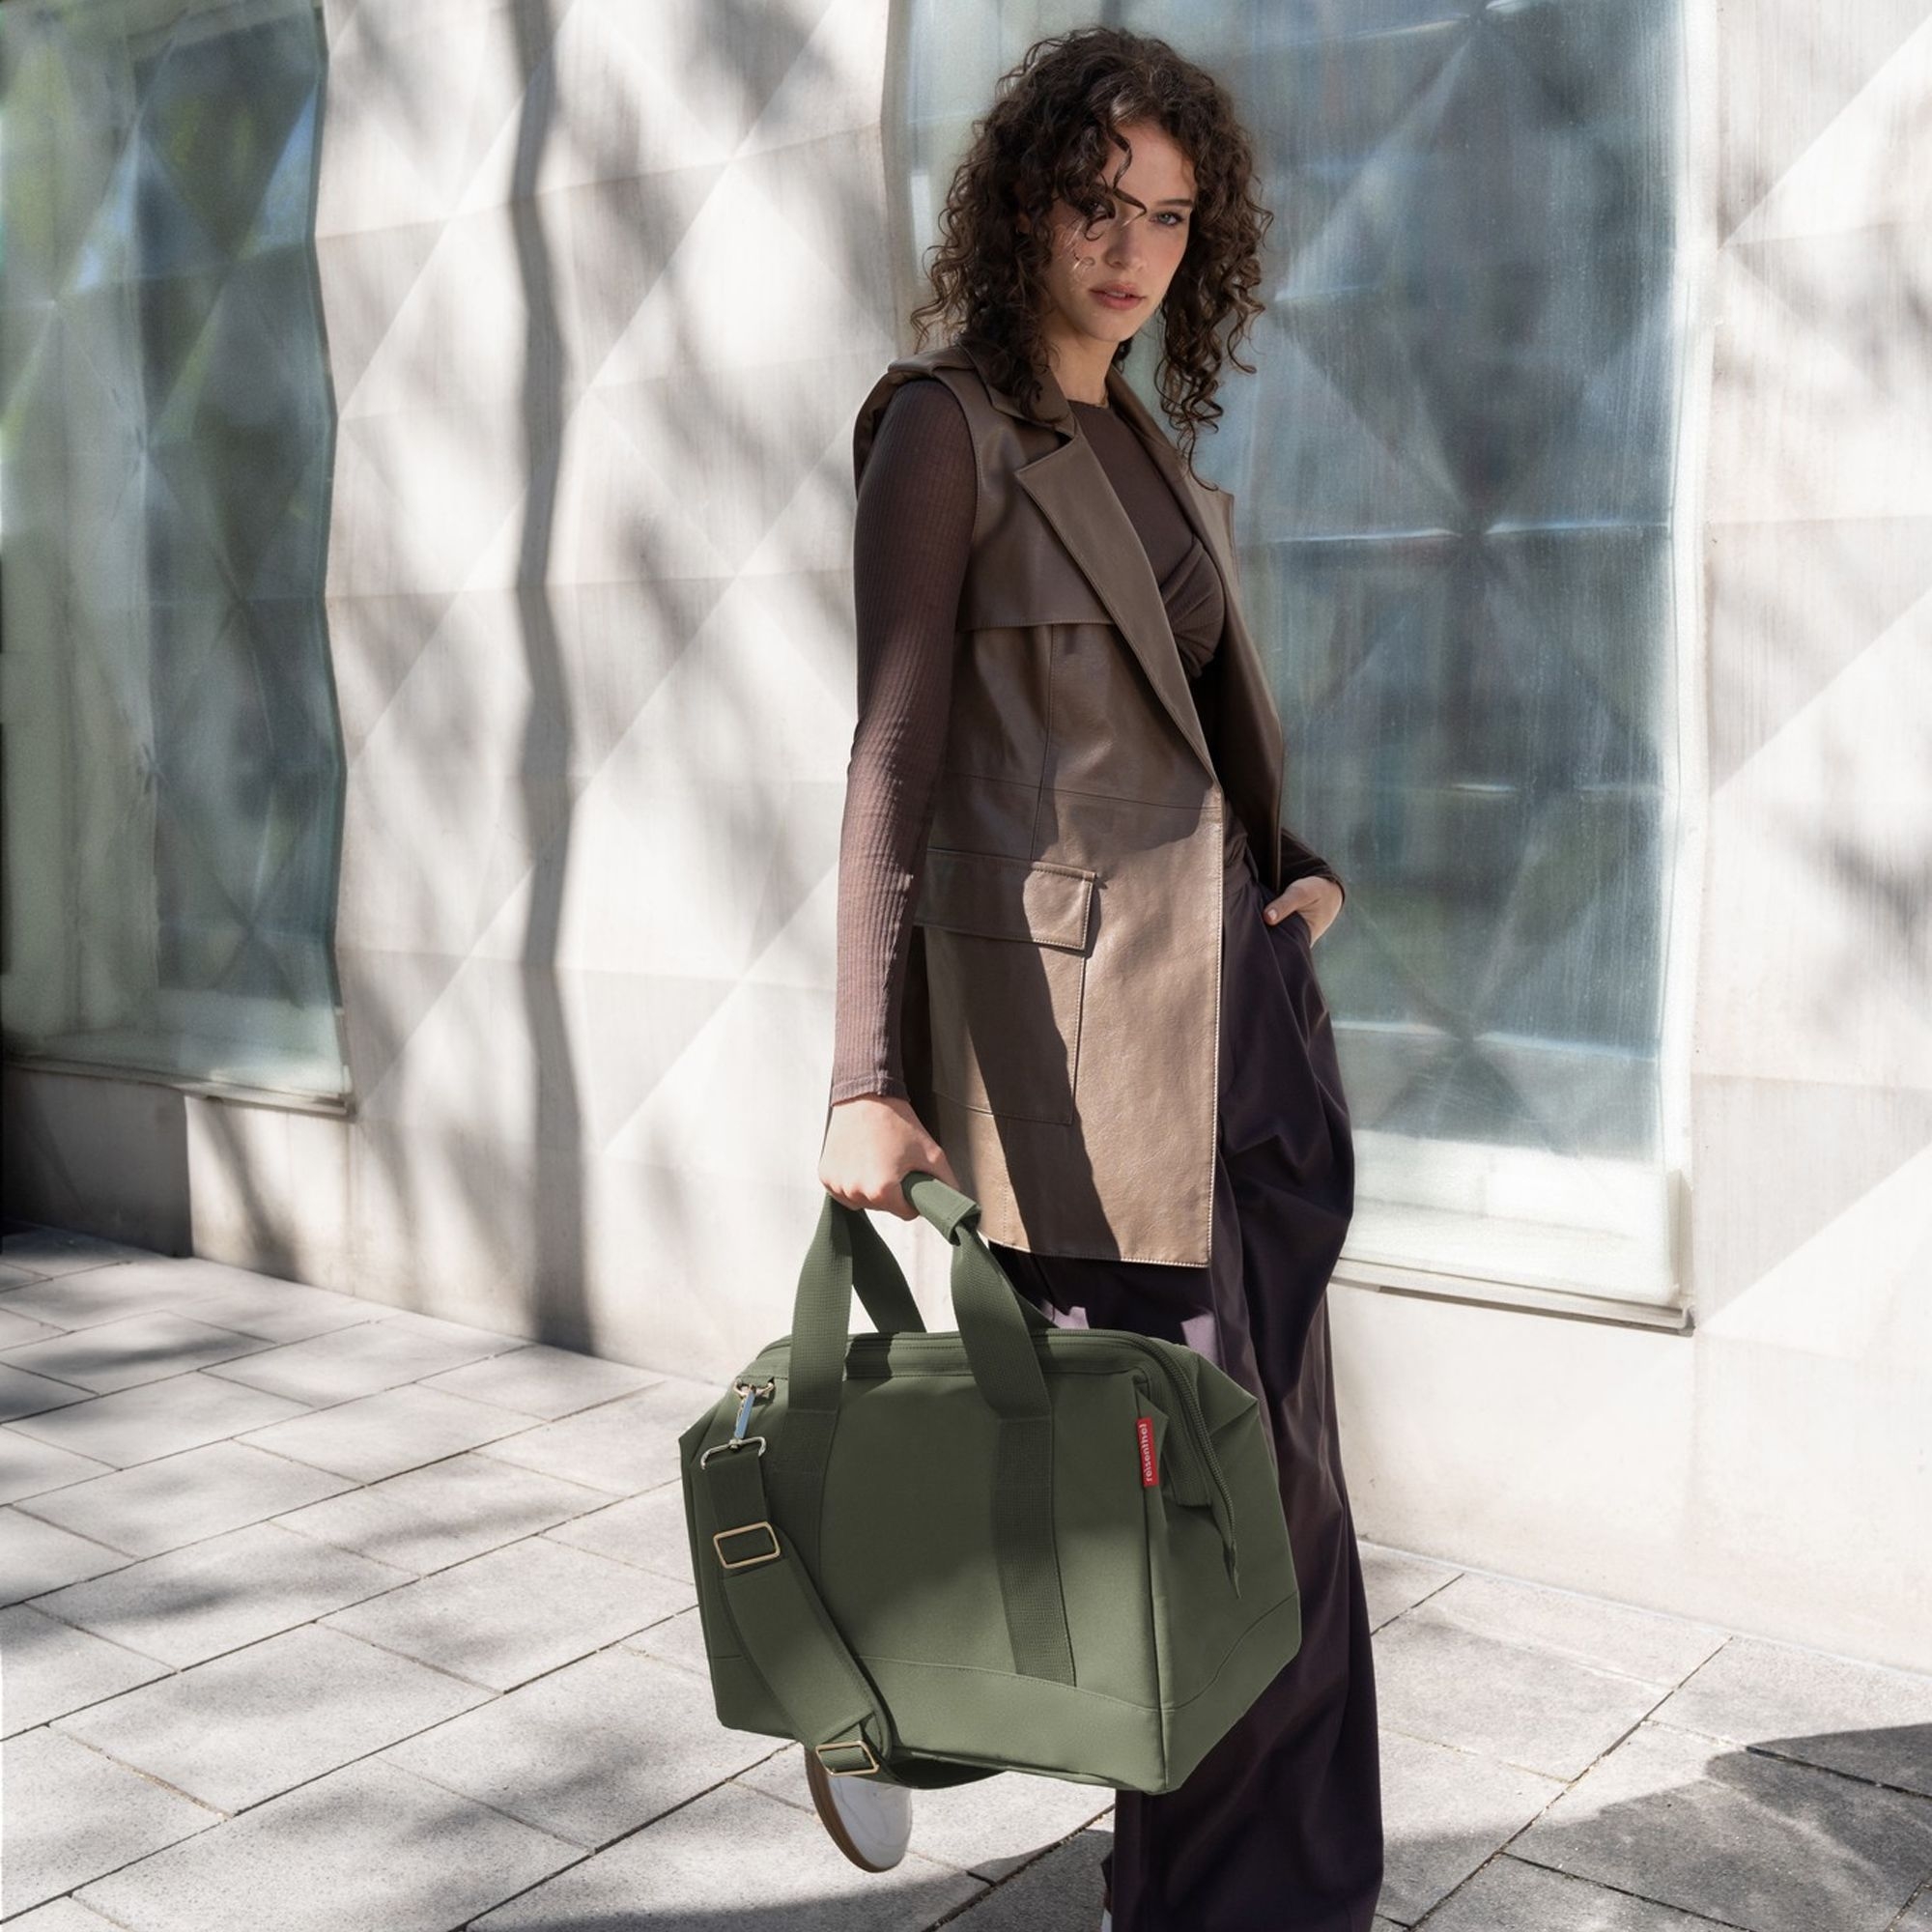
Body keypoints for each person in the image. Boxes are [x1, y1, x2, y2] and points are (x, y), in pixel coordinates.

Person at [814, 26, 1383, 1932]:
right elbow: (892, 756)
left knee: (1283, 1501)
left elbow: (1181, 742)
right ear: (1022, 202)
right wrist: (855, 1071)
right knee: (1195, 1516)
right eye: (1097, 201)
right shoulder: (942, 431)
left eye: (1166, 215)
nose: (1130, 246)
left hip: (1243, 1032)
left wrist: (1286, 885)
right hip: (1084, 1061)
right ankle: (883, 1659)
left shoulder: (1150, 449)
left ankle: (1276, 1896)